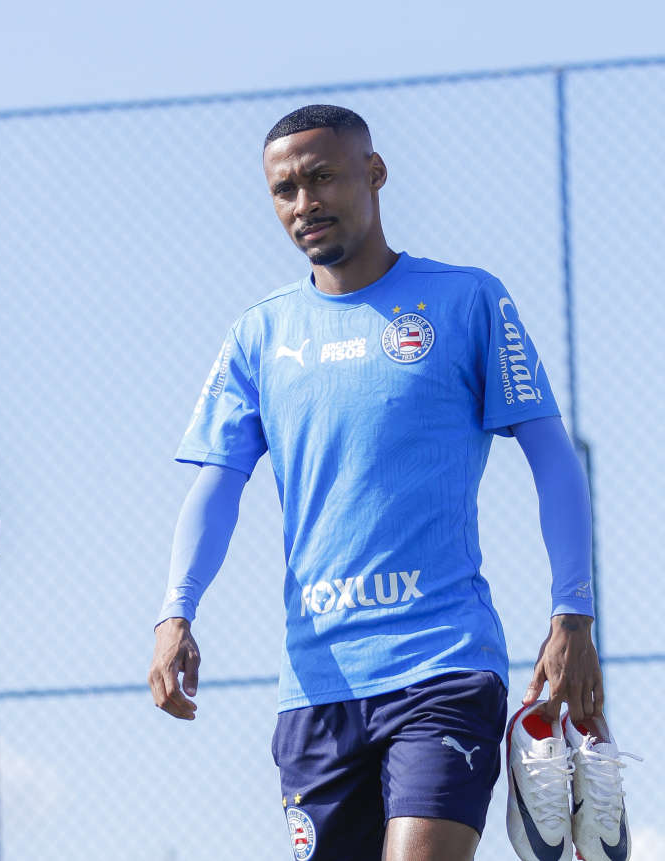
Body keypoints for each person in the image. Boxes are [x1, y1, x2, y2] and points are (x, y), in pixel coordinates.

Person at [147, 105, 607, 860]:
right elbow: (217, 484)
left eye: (322, 177)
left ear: (375, 172)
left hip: (443, 663)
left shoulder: (467, 300)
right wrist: (175, 612)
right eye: (284, 190)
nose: (305, 205)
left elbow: (552, 455)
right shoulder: (259, 334)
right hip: (316, 681)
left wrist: (572, 614)